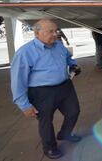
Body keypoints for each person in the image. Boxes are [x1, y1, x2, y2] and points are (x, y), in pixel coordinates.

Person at [10, 19, 82, 159]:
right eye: (50, 31)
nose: (55, 34)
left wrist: (73, 65)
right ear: (37, 33)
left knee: (74, 111)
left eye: (56, 31)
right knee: (45, 121)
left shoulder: (59, 45)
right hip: (41, 92)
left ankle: (64, 133)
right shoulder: (25, 52)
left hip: (65, 87)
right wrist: (24, 105)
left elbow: (68, 57)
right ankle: (49, 148)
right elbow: (17, 81)